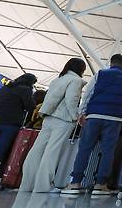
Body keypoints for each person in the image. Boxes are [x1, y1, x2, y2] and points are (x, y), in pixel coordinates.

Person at [61, 54, 122, 196]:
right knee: (108, 151)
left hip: (94, 116)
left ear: (110, 63)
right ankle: (100, 184)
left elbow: (88, 93)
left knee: (85, 149)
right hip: (115, 118)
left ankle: (75, 182)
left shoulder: (100, 74)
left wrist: (82, 113)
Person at [19, 58, 87, 193]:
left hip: (48, 118)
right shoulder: (76, 81)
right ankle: (43, 186)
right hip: (63, 120)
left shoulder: (57, 80)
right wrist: (77, 117)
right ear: (81, 69)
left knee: (36, 151)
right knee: (52, 152)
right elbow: (71, 100)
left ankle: (27, 185)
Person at [0, 73, 37, 190]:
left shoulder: (6, 87)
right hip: (10, 124)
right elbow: (30, 107)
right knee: (0, 152)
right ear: (31, 82)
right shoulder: (26, 90)